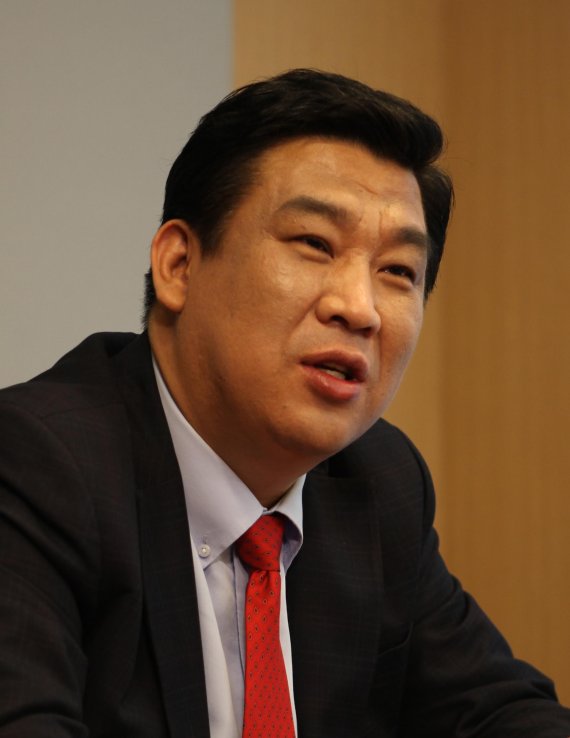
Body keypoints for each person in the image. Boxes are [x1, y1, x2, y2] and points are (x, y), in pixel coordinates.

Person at [0, 69, 568, 738]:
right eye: (314, 244)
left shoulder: (377, 482)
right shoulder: (36, 466)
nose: (359, 309)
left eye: (397, 272)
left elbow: (499, 712)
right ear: (179, 266)